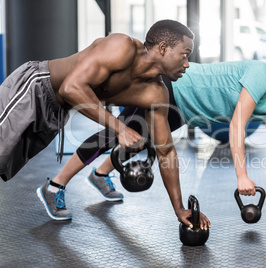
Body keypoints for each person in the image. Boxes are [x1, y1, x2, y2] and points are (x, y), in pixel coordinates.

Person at [48, 40, 266, 226]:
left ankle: (100, 174)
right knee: (117, 133)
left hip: (187, 110)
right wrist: (241, 175)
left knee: (141, 142)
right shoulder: (264, 74)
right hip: (175, 85)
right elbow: (237, 125)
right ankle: (55, 186)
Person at [0, 20, 209, 227]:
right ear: (163, 48)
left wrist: (179, 209)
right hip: (34, 87)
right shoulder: (122, 47)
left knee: (5, 163)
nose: (187, 64)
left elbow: (166, 152)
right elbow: (70, 88)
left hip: (57, 112)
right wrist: (120, 128)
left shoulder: (156, 93)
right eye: (185, 54)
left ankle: (52, 189)